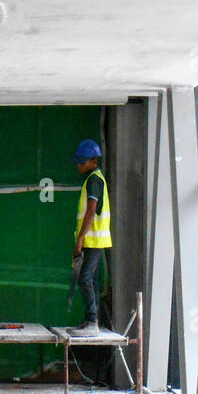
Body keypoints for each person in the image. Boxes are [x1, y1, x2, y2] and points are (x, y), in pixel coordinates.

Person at [71, 137, 112, 334]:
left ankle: (92, 321)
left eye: (83, 161)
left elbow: (91, 211)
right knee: (91, 278)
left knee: (85, 276)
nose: (79, 165)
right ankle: (90, 320)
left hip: (94, 240)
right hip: (93, 239)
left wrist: (80, 239)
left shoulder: (94, 180)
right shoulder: (93, 179)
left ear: (94, 161)